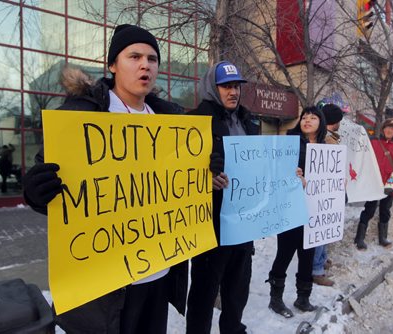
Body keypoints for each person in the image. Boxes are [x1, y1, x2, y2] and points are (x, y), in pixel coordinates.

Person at [22, 24, 187, 334]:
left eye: (152, 59)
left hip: (158, 274)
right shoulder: (83, 114)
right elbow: (53, 188)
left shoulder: (170, 120)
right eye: (134, 56)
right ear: (113, 65)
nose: (144, 65)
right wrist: (35, 191)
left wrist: (206, 170)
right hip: (107, 286)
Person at [185, 61, 258, 334]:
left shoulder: (250, 121)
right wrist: (204, 175)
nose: (233, 92)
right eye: (226, 86)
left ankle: (232, 329)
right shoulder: (195, 121)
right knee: (204, 292)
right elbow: (178, 172)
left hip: (243, 224)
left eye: (237, 86)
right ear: (212, 88)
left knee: (238, 288)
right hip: (210, 226)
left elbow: (261, 166)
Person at [267, 106, 327, 318]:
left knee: (307, 255)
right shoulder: (289, 142)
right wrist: (291, 174)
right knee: (285, 252)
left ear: (321, 122)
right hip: (290, 207)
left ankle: (303, 298)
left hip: (314, 210)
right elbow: (275, 169)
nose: (307, 120)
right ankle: (275, 298)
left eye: (313, 117)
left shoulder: (326, 148)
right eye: (304, 117)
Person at [354, 118, 393, 250]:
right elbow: (362, 159)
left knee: (385, 211)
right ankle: (359, 238)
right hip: (373, 183)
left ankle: (382, 237)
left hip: (388, 186)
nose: (389, 130)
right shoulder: (373, 143)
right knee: (369, 210)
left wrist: (391, 184)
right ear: (383, 129)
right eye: (387, 127)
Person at [311, 103, 343, 287]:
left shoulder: (330, 137)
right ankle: (317, 268)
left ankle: (321, 260)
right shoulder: (327, 139)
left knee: (324, 230)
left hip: (328, 192)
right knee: (320, 231)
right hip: (323, 194)